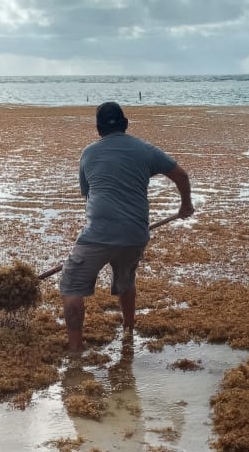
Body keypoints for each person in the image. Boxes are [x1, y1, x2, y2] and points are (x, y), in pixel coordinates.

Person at [59, 101, 194, 352]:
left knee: (71, 285)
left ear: (98, 129)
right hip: (135, 235)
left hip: (98, 235)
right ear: (126, 124)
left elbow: (87, 194)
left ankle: (76, 351)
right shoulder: (146, 150)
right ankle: (128, 333)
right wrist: (185, 206)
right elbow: (181, 175)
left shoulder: (88, 153)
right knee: (126, 280)